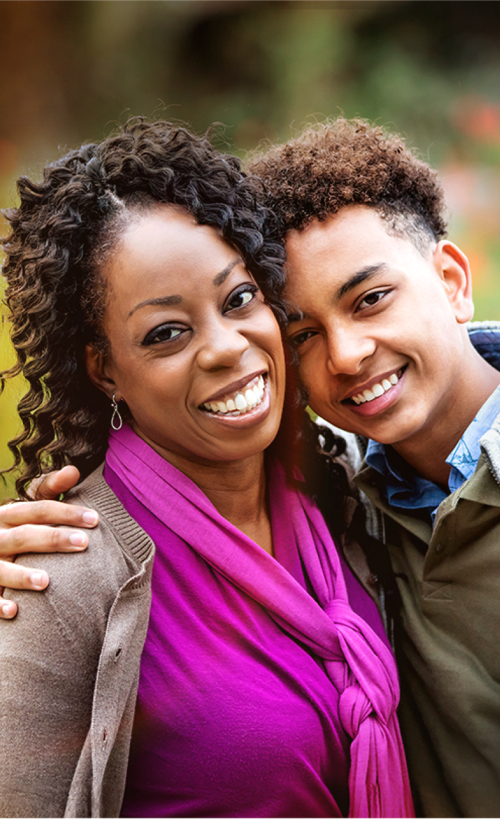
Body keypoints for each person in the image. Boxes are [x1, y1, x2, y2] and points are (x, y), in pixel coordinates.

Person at [0, 118, 413, 818]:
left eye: (238, 299)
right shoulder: (58, 575)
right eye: (166, 333)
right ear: (105, 371)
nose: (225, 347)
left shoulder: (338, 491)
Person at [248, 118, 500, 819]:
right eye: (304, 333)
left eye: (370, 299)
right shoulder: (339, 505)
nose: (348, 353)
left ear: (451, 281)